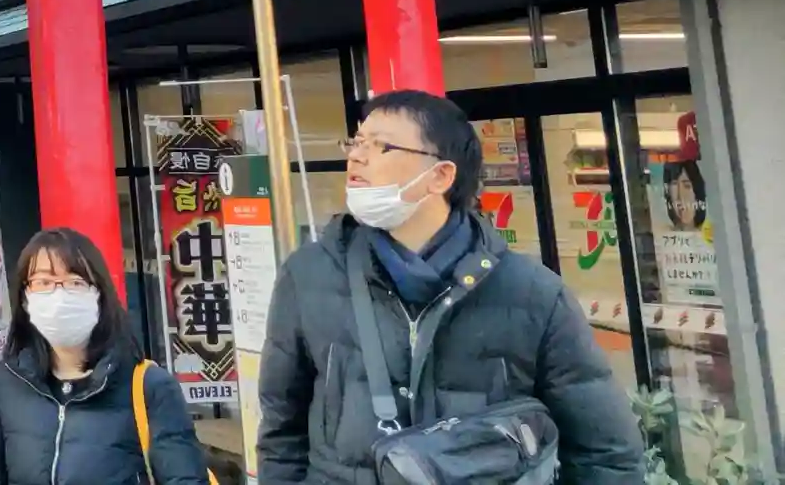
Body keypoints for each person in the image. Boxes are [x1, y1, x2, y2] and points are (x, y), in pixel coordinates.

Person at [256, 90, 645, 485]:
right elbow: (282, 433)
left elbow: (606, 453)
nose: (356, 156)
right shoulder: (308, 276)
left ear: (440, 176)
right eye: (355, 142)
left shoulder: (533, 294)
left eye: (381, 145)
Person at [0, 227, 204, 485]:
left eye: (75, 282)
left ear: (99, 294)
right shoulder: (6, 384)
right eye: (43, 282)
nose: (59, 296)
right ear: (25, 298)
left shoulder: (150, 387)